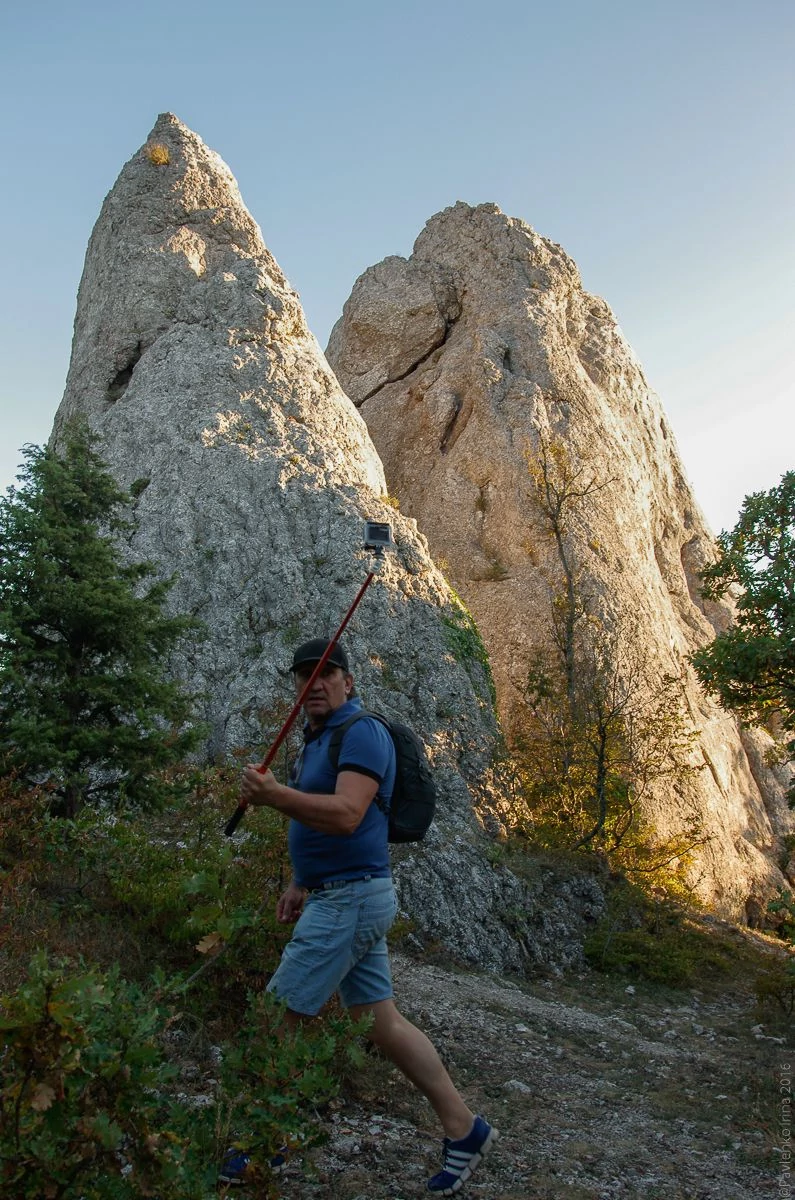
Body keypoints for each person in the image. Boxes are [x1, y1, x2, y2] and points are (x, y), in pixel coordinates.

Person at [224, 637, 497, 1194]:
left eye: (327, 674)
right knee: (381, 1022)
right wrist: (302, 880)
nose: (315, 684)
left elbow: (348, 814)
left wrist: (275, 796)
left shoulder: (363, 733)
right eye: (305, 677)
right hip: (338, 893)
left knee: (278, 1018)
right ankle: (464, 1128)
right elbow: (320, 819)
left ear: (349, 682)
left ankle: (260, 1144)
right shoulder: (315, 740)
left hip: (351, 899)